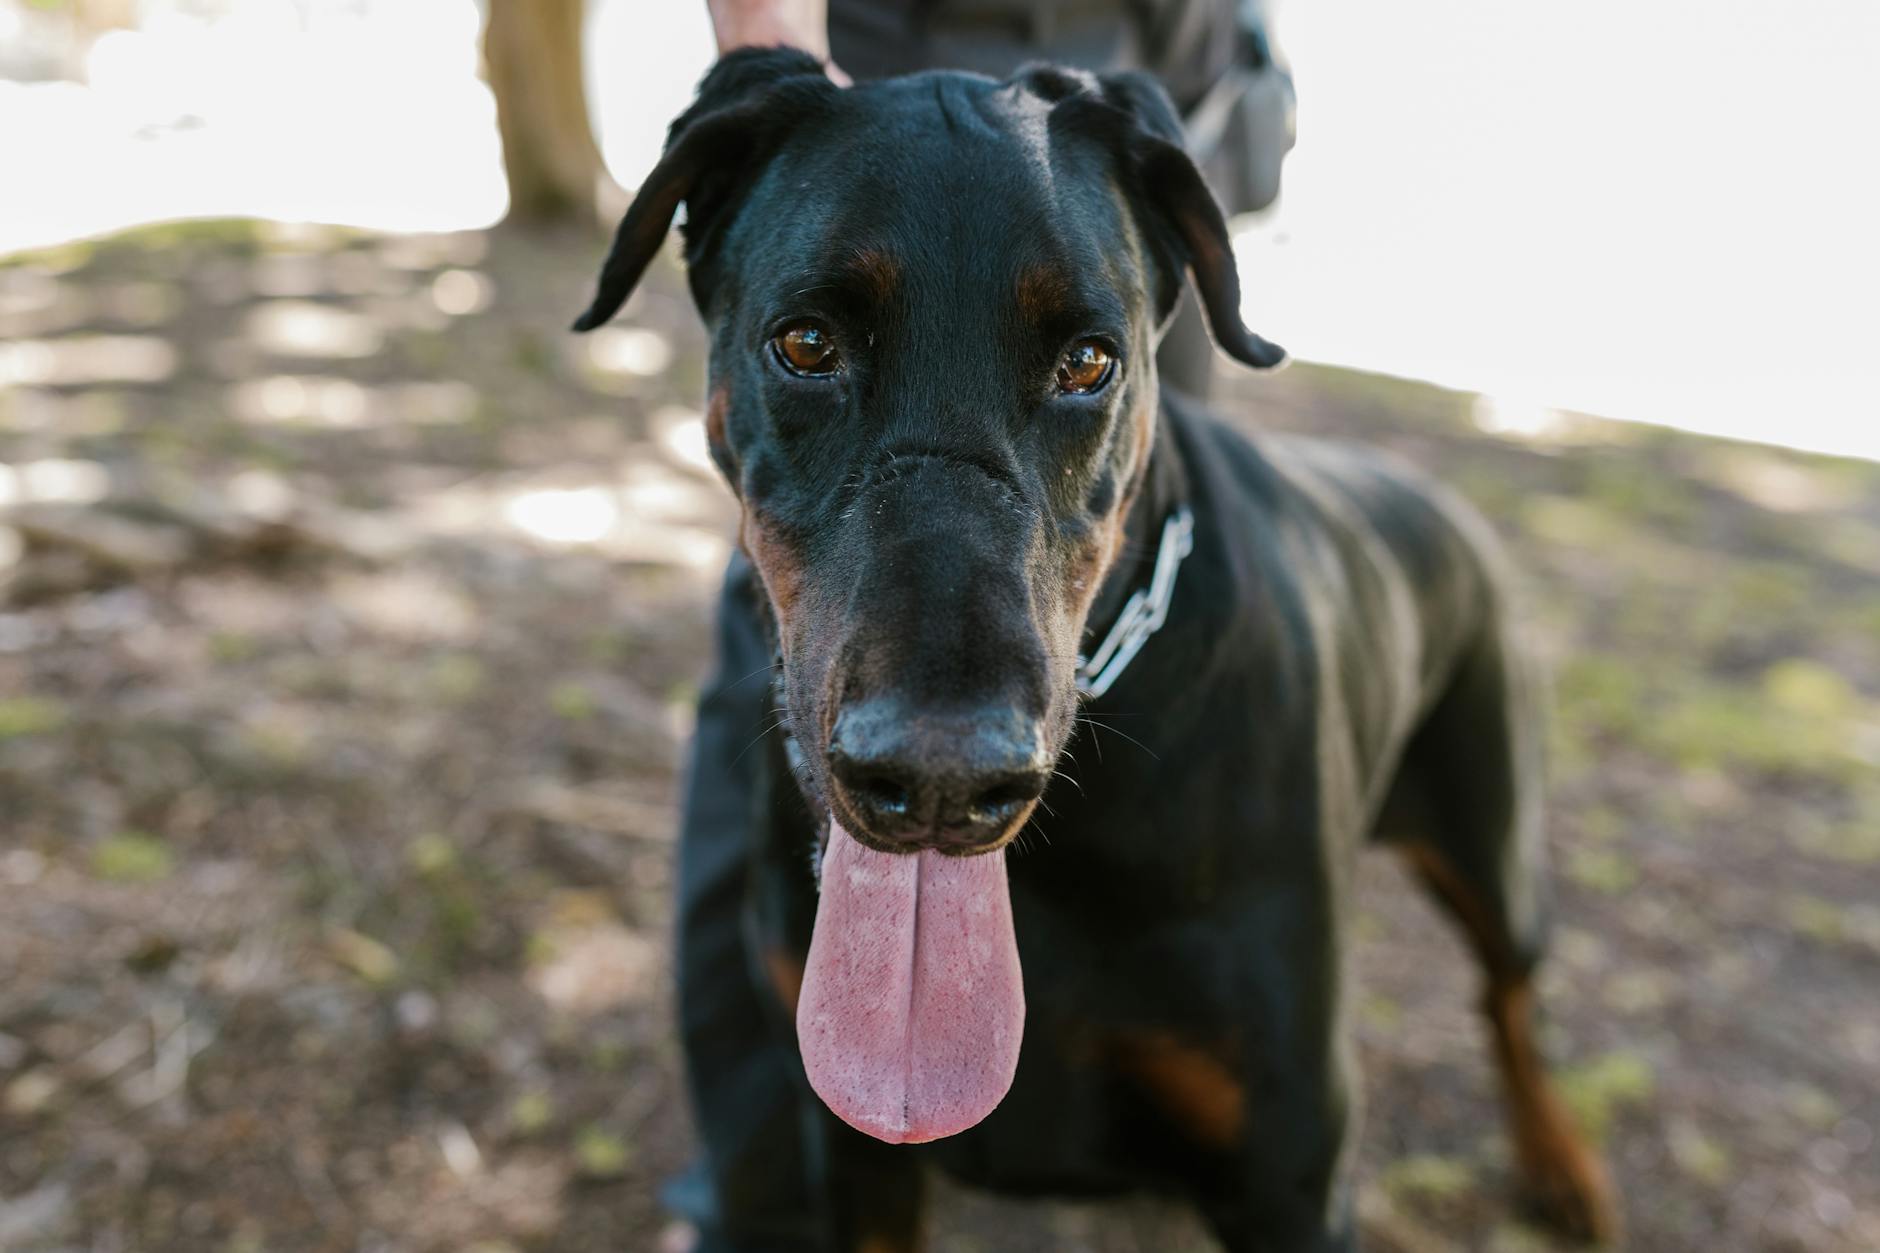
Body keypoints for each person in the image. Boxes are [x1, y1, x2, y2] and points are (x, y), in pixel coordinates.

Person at [667, 4, 1294, 1249]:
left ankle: (1147, 1127)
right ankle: (757, 1213)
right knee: (753, 853)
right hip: (865, 72)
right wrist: (760, 40)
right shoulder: (789, 167)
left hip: (1124, 152)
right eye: (803, 342)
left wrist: (1185, 130)